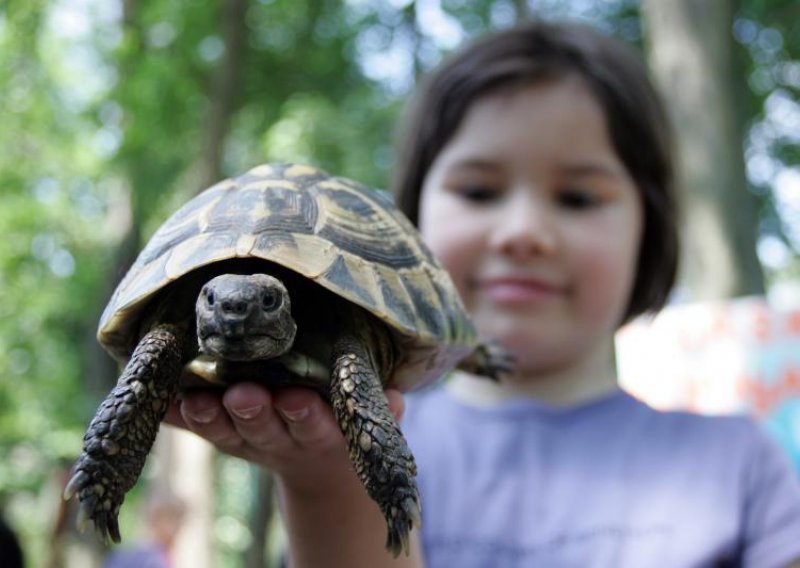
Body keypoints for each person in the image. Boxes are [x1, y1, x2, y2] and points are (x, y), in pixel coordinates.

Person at [164, 20, 800, 568]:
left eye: (578, 197)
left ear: (653, 229)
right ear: (407, 227)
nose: (524, 232)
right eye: (479, 191)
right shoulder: (364, 422)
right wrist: (326, 476)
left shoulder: (742, 465)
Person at [103, 489, 186, 568]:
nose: (176, 527)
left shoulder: (166, 555)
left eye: (179, 519)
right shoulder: (144, 556)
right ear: (154, 519)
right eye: (170, 519)